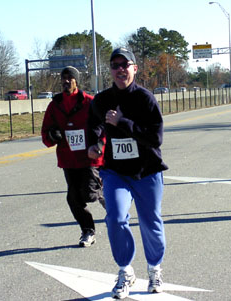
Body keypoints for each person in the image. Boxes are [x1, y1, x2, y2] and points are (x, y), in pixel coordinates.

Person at [87, 48, 168, 299]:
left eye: (125, 64)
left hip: (147, 171)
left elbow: (156, 138)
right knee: (116, 218)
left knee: (150, 220)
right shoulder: (102, 100)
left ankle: (154, 268)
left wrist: (123, 123)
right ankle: (125, 271)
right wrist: (96, 142)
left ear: (134, 68)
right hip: (116, 172)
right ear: (110, 70)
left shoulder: (145, 99)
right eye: (115, 65)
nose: (120, 69)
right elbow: (94, 124)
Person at [41, 66, 105, 247]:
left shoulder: (89, 102)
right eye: (64, 78)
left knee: (89, 195)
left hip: (89, 158)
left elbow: (103, 128)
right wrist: (52, 136)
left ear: (77, 81)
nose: (66, 81)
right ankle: (88, 231)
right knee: (73, 199)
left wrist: (99, 145)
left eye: (70, 78)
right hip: (68, 159)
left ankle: (104, 195)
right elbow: (45, 132)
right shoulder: (55, 105)